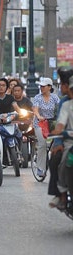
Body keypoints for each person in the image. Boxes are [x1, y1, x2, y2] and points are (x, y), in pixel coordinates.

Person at [48, 68, 73, 208]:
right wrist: (58, 142)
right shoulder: (65, 104)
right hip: (68, 142)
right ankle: (60, 195)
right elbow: (59, 125)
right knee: (56, 160)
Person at [32, 77, 60, 177]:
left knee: (57, 143)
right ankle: (40, 168)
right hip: (40, 124)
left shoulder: (55, 97)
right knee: (42, 144)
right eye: (41, 86)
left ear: (49, 87)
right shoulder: (37, 97)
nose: (41, 88)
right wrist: (39, 116)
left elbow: (59, 108)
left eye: (44, 86)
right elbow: (35, 109)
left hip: (52, 123)